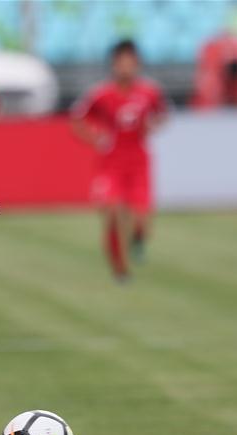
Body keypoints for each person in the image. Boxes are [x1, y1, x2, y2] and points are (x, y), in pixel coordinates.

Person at [71, 40, 167, 282]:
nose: (125, 68)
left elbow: (162, 114)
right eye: (120, 63)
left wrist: (153, 126)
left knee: (141, 220)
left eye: (130, 63)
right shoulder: (102, 94)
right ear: (114, 65)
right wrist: (95, 138)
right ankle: (120, 270)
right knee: (112, 211)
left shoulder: (149, 92)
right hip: (111, 162)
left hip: (139, 162)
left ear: (137, 65)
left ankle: (138, 238)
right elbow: (78, 119)